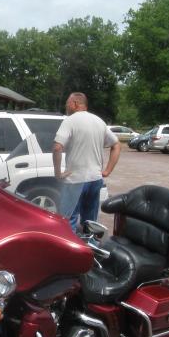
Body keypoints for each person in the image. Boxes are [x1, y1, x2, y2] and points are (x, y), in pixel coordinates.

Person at [53, 92, 121, 232]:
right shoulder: (99, 121)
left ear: (75, 104)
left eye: (67, 102)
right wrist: (107, 170)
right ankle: (91, 249)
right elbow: (116, 145)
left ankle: (69, 252)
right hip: (95, 179)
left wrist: (58, 172)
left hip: (75, 180)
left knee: (68, 220)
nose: (66, 105)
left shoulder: (70, 121)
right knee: (90, 222)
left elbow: (57, 147)